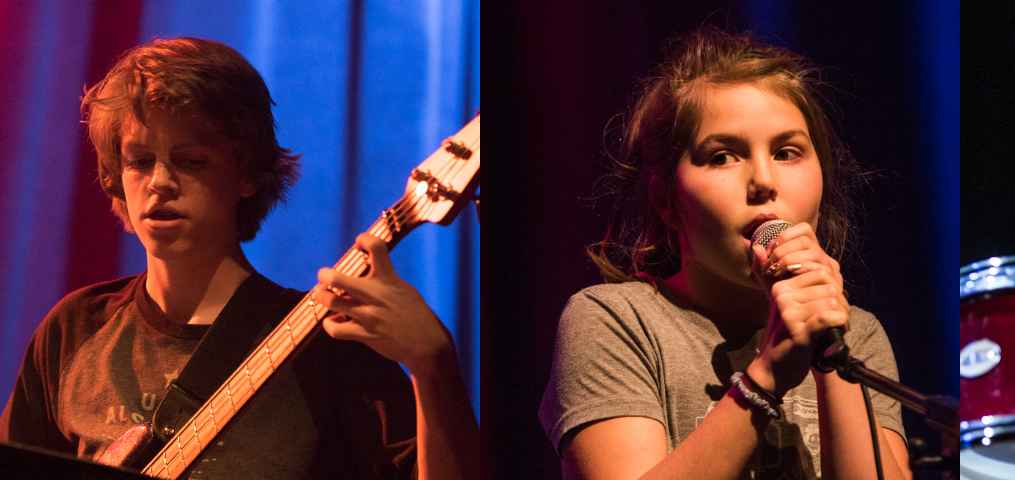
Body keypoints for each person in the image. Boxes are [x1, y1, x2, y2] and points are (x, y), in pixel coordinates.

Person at [0, 37, 483, 479]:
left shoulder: (331, 349)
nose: (160, 183)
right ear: (113, 177)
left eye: (191, 161)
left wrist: (433, 368)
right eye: (139, 161)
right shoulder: (74, 330)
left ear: (248, 174)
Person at [539, 28, 911, 480]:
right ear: (666, 200)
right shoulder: (614, 321)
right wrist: (767, 376)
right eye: (722, 157)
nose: (763, 180)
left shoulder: (860, 334)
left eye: (787, 152)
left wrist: (831, 354)